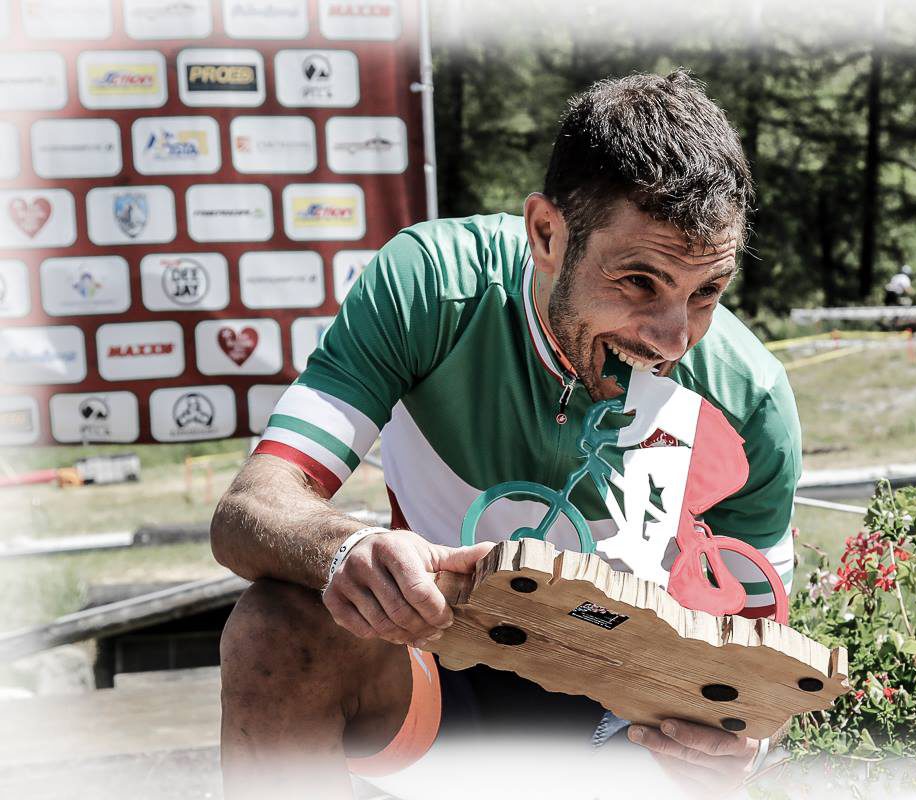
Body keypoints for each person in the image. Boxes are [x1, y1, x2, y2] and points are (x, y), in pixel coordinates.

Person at [212, 70, 803, 800]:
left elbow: (764, 665)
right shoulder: (431, 287)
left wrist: (743, 742)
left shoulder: (749, 398)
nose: (673, 339)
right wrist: (347, 550)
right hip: (432, 671)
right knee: (275, 625)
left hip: (624, 726)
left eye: (707, 291)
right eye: (639, 282)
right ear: (547, 233)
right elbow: (250, 509)